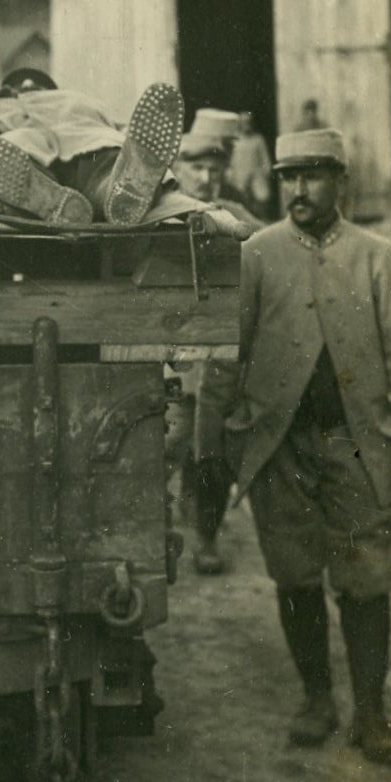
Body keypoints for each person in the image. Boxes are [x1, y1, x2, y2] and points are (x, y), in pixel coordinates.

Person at [223, 128, 391, 765]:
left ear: (340, 182)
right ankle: (317, 698)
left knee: (366, 579)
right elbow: (227, 353)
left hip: (356, 445)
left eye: (312, 176)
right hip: (281, 447)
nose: (298, 189)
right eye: (288, 176)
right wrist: (224, 441)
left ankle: (371, 714)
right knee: (294, 574)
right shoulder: (258, 255)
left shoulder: (375, 256)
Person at [0, 80, 250, 234]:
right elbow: (131, 136)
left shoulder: (5, 104)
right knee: (110, 174)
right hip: (96, 144)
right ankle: (115, 191)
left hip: (32, 151)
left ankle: (56, 205)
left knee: (15, 166)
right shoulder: (84, 101)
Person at [167, 120, 262, 575]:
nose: (207, 179)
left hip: (220, 366)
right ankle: (155, 527)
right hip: (173, 364)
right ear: (178, 168)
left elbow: (269, 253)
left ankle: (205, 535)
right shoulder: (161, 215)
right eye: (197, 168)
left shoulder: (236, 215)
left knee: (212, 453)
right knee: (162, 446)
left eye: (215, 169)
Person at [227, 110, 274, 219]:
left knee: (260, 201)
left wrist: (266, 172)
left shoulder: (258, 139)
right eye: (243, 122)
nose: (246, 125)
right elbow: (230, 160)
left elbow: (265, 159)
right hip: (240, 175)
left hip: (257, 175)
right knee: (242, 204)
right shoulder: (235, 139)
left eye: (248, 122)